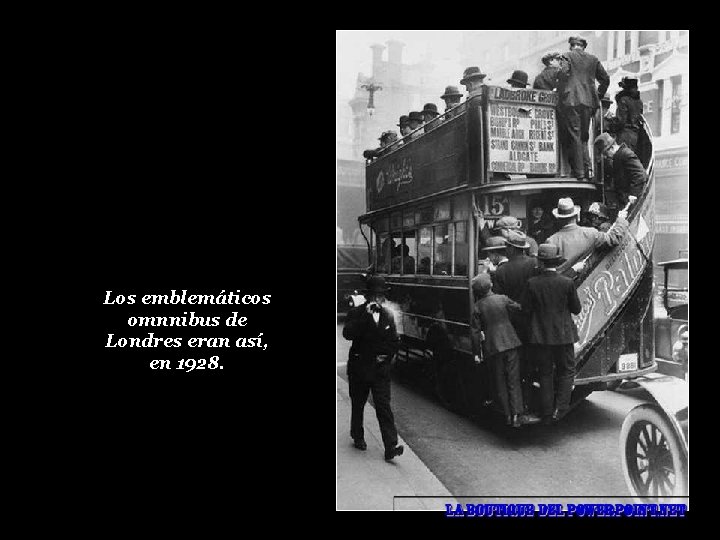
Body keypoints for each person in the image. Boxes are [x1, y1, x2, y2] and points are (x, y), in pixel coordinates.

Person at [342, 275, 405, 461]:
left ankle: (391, 446)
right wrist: (365, 317)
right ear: (368, 296)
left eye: (381, 296)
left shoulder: (387, 315)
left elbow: (394, 342)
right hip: (360, 369)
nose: (379, 299)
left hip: (380, 370)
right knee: (358, 405)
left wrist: (385, 356)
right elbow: (348, 334)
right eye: (375, 296)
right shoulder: (357, 313)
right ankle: (357, 435)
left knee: (384, 406)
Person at [522, 244, 582, 424]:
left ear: (540, 262)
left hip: (540, 337)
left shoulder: (532, 283)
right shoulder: (567, 282)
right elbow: (576, 309)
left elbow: (525, 309)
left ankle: (547, 412)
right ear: (557, 262)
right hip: (564, 335)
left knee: (545, 373)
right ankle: (560, 409)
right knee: (566, 371)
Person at [493, 231, 539, 414]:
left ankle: (518, 404)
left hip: (512, 323)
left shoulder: (501, 271)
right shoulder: (535, 265)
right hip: (532, 320)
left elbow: (498, 299)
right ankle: (531, 398)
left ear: (512, 249)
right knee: (531, 360)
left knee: (514, 365)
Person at [470, 273, 524, 427]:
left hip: (492, 347)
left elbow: (474, 332)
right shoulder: (503, 299)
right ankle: (516, 414)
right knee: (513, 379)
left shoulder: (478, 307)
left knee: (499, 381)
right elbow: (519, 309)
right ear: (491, 285)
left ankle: (506, 414)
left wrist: (476, 353)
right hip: (511, 342)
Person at [556, 35, 610, 180]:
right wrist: (597, 95)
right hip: (588, 102)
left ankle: (580, 173)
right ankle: (587, 170)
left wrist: (561, 91)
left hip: (572, 100)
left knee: (575, 135)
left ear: (571, 46)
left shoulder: (566, 56)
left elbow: (563, 74)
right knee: (584, 137)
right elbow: (605, 79)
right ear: (583, 47)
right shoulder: (593, 59)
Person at [546, 197, 628, 272]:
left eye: (598, 218)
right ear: (577, 216)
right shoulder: (591, 233)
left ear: (558, 218)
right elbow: (613, 239)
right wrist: (621, 220)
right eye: (591, 217)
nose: (594, 220)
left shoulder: (550, 241)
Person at [594, 132, 648, 206]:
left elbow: (640, 174)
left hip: (632, 200)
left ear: (611, 148)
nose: (606, 157)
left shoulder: (625, 154)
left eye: (606, 154)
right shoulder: (620, 156)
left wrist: (633, 194)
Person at [615, 77, 643, 153]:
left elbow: (621, 121)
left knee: (622, 159)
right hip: (635, 136)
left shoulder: (623, 100)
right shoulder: (639, 102)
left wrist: (612, 126)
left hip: (625, 135)